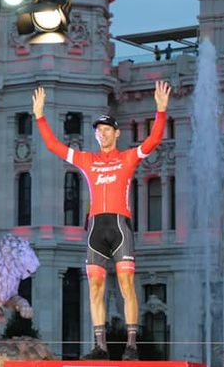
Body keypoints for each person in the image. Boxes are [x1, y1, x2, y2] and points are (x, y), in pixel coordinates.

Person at [33, 81, 170, 361]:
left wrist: (161, 111)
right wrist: (40, 116)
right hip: (96, 228)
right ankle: (101, 346)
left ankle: (131, 345)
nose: (102, 134)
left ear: (117, 134)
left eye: (107, 130)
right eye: (98, 130)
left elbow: (153, 141)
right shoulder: (87, 160)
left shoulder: (128, 158)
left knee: (126, 285)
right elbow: (53, 145)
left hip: (120, 227)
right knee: (94, 288)